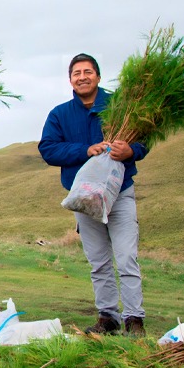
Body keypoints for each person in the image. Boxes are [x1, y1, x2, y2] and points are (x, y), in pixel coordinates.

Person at [38, 53, 148, 336]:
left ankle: (134, 319)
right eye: (77, 73)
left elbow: (143, 141)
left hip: (119, 194)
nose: (82, 76)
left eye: (88, 71)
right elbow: (48, 150)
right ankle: (107, 317)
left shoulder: (119, 106)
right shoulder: (60, 114)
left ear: (98, 76)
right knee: (98, 261)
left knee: (126, 258)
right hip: (84, 199)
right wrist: (85, 150)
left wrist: (131, 151)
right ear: (70, 80)